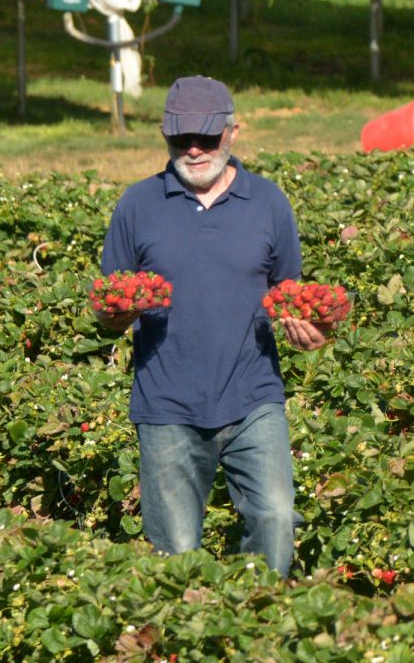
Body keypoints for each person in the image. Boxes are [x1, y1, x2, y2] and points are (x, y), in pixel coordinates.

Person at [93, 76, 332, 576]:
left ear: (234, 133)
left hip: (253, 398)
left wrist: (315, 332)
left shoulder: (268, 204)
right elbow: (109, 304)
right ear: (164, 134)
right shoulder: (137, 206)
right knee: (175, 556)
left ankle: (257, 626)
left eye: (207, 137)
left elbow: (292, 296)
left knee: (275, 518)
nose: (195, 149)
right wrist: (114, 315)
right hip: (167, 405)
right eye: (182, 138)